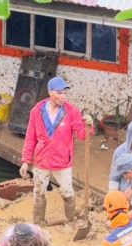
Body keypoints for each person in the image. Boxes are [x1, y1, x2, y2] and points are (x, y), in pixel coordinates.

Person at [19, 76, 93, 226]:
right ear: (50, 92)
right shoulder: (37, 111)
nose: (63, 97)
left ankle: (70, 220)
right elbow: (30, 137)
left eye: (65, 93)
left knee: (67, 192)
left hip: (63, 161)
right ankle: (38, 223)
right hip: (41, 160)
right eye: (59, 93)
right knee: (39, 193)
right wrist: (26, 161)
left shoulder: (72, 111)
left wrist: (89, 126)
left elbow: (82, 135)